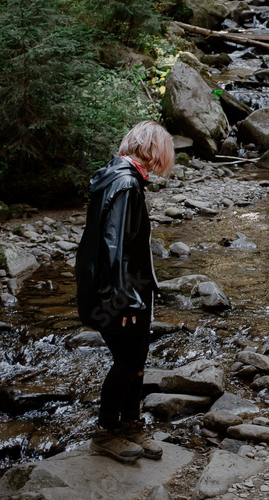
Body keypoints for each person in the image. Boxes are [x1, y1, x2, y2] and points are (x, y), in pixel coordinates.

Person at [75, 121, 174, 463]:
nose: (167, 158)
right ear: (152, 149)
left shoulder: (116, 176)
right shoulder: (126, 183)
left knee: (136, 359)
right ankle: (104, 434)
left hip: (119, 290)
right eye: (165, 150)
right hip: (119, 295)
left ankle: (131, 426)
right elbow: (114, 247)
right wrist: (127, 299)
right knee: (128, 360)